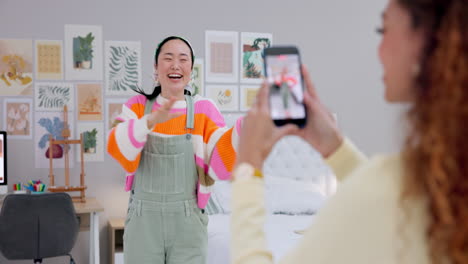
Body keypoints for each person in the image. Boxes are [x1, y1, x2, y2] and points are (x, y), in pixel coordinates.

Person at [231, 0, 467, 263]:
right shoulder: (447, 175)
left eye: (383, 30)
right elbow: (396, 203)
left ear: (428, 41)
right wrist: (336, 149)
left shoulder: (389, 184)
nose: (378, 50)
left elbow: (385, 194)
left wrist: (248, 166)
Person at [107, 36, 241, 264]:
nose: (175, 65)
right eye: (168, 58)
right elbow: (116, 145)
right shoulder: (137, 106)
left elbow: (221, 168)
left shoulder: (204, 109)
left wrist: (242, 130)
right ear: (156, 68)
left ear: (191, 69)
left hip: (188, 223)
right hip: (143, 221)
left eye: (183, 59)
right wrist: (149, 122)